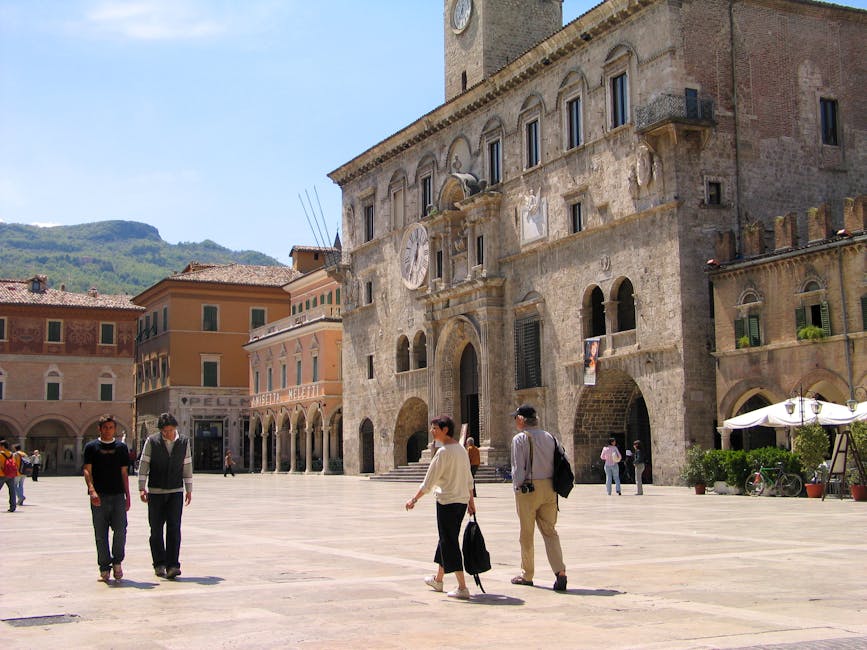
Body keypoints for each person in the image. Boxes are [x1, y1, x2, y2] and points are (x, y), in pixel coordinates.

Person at [405, 415, 476, 600]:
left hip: (447, 502)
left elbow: (429, 481)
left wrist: (414, 499)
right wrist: (471, 502)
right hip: (460, 502)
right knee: (447, 538)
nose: (431, 431)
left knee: (449, 541)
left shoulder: (443, 453)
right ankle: (438, 579)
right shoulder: (461, 450)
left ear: (445, 430)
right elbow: (469, 479)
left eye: (435, 428)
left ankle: (462, 586)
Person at [509, 404, 568, 592]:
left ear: (521, 420)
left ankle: (527, 575)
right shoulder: (550, 437)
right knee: (550, 532)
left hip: (529, 489)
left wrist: (517, 488)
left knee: (526, 534)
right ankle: (560, 572)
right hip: (550, 489)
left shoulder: (520, 439)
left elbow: (518, 468)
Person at [139, 412, 192, 580]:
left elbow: (187, 465)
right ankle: (159, 563)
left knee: (174, 529)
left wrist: (189, 488)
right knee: (155, 530)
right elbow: (144, 463)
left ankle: (173, 565)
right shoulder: (152, 441)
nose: (168, 433)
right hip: (156, 492)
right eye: (165, 431)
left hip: (175, 491)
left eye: (171, 430)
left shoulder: (183, 442)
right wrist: (141, 487)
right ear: (161, 430)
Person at [83, 415, 131, 582]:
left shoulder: (121, 448)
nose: (108, 430)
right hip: (99, 496)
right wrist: (91, 490)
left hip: (118, 495)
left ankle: (117, 561)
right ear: (100, 429)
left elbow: (124, 473)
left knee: (121, 531)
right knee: (100, 534)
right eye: (105, 427)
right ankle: (104, 567)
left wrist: (128, 496)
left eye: (111, 427)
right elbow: (87, 470)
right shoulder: (91, 447)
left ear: (115, 429)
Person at [1, 439, 19, 512]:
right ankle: (13, 507)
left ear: (2, 446)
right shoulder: (12, 454)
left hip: (2, 475)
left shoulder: (0, 454)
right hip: (11, 475)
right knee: (12, 491)